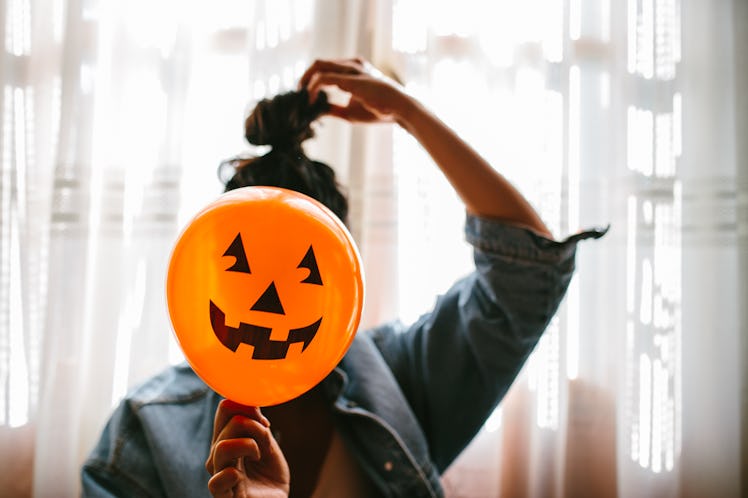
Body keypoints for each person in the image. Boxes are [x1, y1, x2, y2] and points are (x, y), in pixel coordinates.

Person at [81, 58, 606, 498]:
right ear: (205, 270)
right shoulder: (143, 431)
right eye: (242, 264)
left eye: (306, 273)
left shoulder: (401, 377)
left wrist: (407, 111)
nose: (269, 301)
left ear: (344, 277)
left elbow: (527, 273)